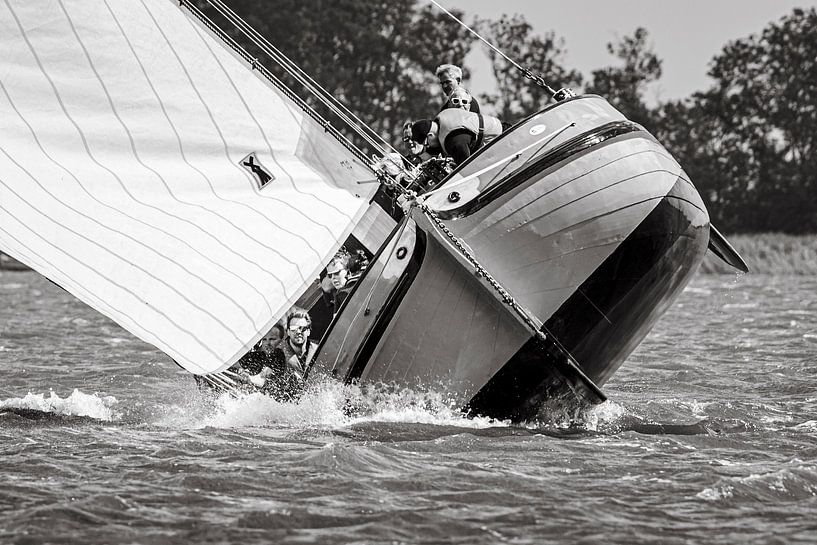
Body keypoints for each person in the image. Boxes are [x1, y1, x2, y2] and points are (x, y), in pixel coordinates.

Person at [406, 101, 503, 166]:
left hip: (498, 139)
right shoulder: (443, 116)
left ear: (430, 136)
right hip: (496, 124)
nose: (429, 146)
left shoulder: (454, 141)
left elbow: (466, 168)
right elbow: (436, 146)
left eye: (427, 144)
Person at [264, 307, 318, 401]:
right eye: (293, 328)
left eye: (302, 328)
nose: (298, 332)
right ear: (288, 332)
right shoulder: (277, 355)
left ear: (308, 331)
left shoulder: (318, 350)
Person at [321, 248, 363, 316]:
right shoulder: (339, 294)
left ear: (348, 270)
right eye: (330, 275)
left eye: (337, 273)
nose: (333, 278)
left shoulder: (343, 294)